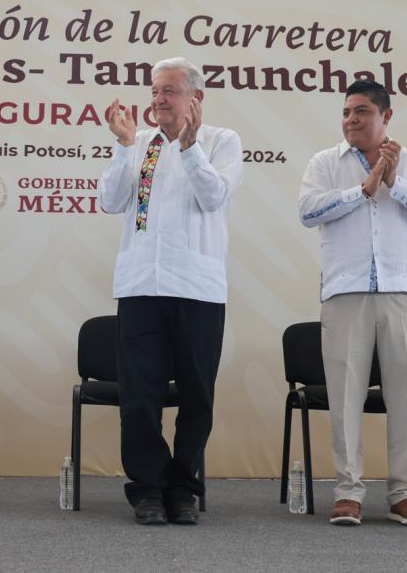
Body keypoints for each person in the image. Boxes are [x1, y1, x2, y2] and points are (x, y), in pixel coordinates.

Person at [98, 57, 243, 525]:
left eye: (169, 91)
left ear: (194, 98)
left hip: (198, 288)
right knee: (139, 396)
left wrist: (189, 145)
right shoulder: (139, 143)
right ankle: (147, 489)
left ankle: (183, 489)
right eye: (155, 91)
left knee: (198, 396)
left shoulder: (222, 141)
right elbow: (110, 201)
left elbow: (214, 197)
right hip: (141, 285)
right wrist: (122, 148)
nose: (158, 99)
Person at [297, 79, 407, 527]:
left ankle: (405, 493)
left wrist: (395, 182)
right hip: (345, 291)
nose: (350, 120)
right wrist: (362, 189)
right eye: (346, 112)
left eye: (361, 111)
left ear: (386, 117)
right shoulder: (325, 162)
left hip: (402, 291)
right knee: (345, 396)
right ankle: (348, 492)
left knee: (406, 395)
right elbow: (307, 212)